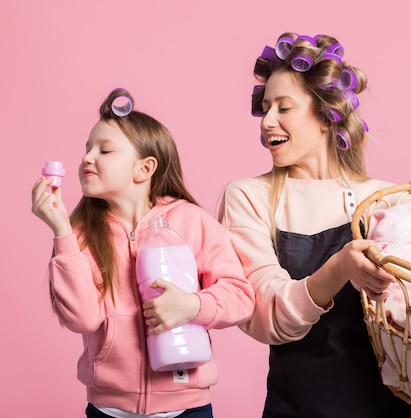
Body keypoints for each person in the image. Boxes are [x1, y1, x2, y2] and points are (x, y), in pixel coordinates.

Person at [219, 33, 411, 417]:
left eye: (284, 108)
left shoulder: (393, 199)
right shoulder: (249, 197)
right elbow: (266, 317)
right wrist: (340, 267)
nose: (267, 122)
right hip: (300, 408)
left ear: (326, 115)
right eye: (265, 108)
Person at [31, 88, 255, 418]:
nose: (87, 157)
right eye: (87, 149)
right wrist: (61, 231)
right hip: (108, 409)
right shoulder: (78, 232)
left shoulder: (191, 221)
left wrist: (193, 305)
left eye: (104, 150)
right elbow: (82, 318)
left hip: (187, 407)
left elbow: (240, 296)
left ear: (144, 168)